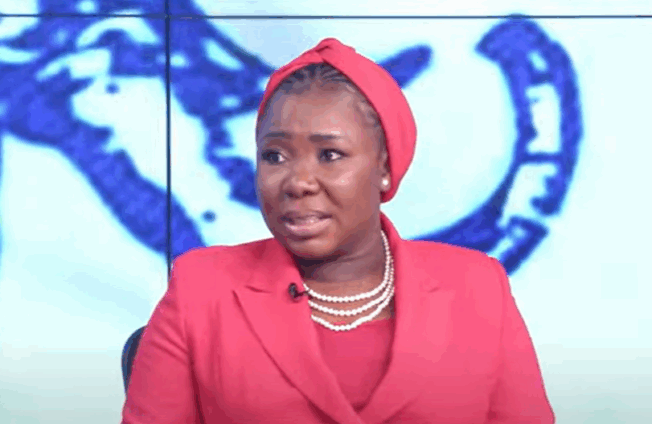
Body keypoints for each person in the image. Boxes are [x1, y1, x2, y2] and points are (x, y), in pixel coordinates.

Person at [121, 38, 555, 424]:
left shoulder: (478, 288)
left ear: (385, 167)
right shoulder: (201, 289)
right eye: (274, 156)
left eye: (329, 154)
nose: (298, 182)